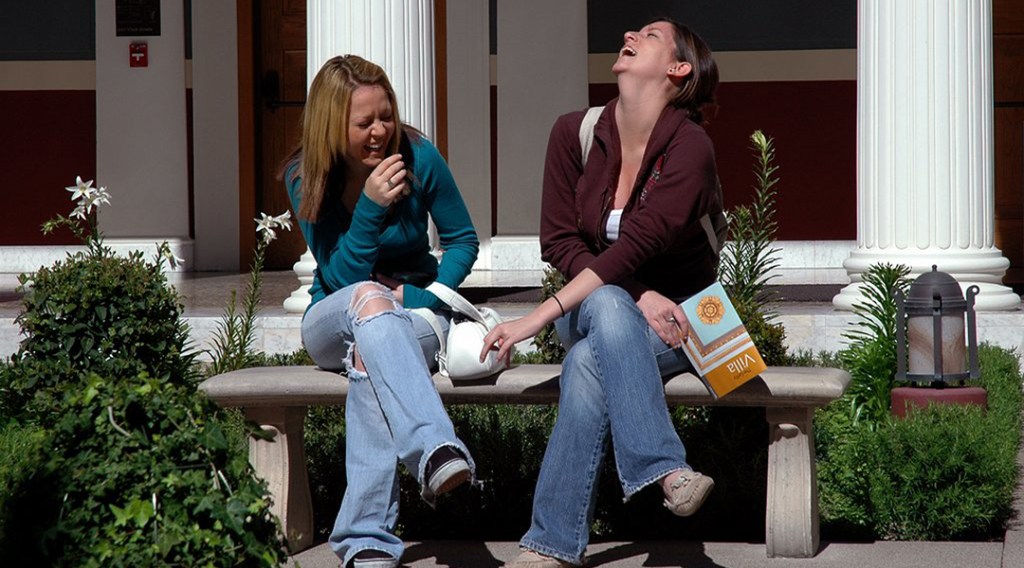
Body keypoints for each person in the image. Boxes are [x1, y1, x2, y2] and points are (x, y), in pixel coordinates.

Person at [481, 18, 724, 568]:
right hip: (594, 307)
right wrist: (638, 295)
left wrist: (532, 319)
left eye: (652, 35)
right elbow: (560, 241)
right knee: (611, 305)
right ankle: (665, 469)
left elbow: (634, 247)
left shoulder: (690, 149)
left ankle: (549, 544)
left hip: (682, 321)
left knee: (589, 363)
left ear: (677, 69)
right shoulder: (575, 133)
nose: (632, 35)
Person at [282, 55, 479, 568]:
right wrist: (369, 206)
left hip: (416, 317)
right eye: (364, 122)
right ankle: (435, 448)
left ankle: (366, 540)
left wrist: (420, 299)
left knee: (371, 356)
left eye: (385, 116)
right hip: (333, 317)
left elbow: (462, 241)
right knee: (367, 298)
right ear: (331, 126)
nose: (380, 131)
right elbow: (342, 277)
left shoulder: (419, 157)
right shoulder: (306, 176)